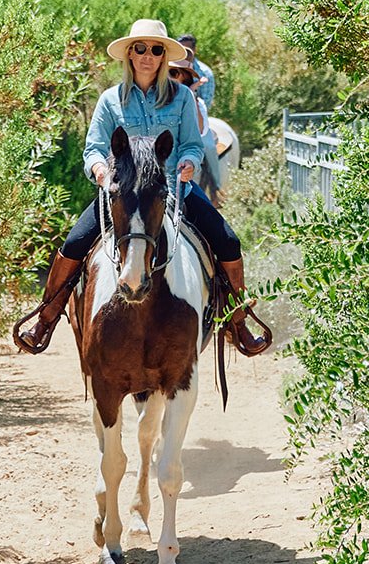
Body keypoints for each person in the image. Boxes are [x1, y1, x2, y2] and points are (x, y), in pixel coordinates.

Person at [14, 18, 269, 356]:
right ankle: (46, 319)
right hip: (122, 196)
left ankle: (237, 322)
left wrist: (189, 163)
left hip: (174, 192)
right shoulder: (110, 100)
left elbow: (192, 143)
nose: (147, 55)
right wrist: (102, 172)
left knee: (228, 241)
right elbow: (93, 149)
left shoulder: (181, 99)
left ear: (164, 56)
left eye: (156, 49)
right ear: (129, 55)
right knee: (74, 243)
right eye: (140, 48)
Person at [172, 51, 222, 206]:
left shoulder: (196, 100)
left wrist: (191, 94)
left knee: (208, 146)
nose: (168, 77)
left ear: (184, 78)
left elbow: (200, 130)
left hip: (185, 164)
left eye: (173, 73)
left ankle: (216, 186)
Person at [177, 33, 214, 114]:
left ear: (194, 50)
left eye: (187, 50)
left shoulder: (205, 73)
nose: (184, 54)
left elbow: (205, 103)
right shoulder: (170, 68)